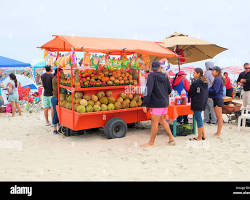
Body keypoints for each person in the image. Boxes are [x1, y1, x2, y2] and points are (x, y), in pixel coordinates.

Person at [141, 61, 175, 147]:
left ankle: (151, 143)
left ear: (152, 68)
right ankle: (171, 137)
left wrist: (145, 103)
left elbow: (148, 90)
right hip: (164, 102)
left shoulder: (151, 75)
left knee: (154, 123)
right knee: (162, 121)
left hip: (156, 103)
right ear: (160, 68)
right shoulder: (165, 76)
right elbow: (169, 90)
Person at [188, 68, 208, 141]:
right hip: (202, 102)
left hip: (197, 102)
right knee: (199, 119)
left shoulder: (196, 82)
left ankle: (199, 137)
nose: (193, 74)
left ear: (198, 73)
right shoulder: (205, 81)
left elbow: (190, 93)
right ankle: (203, 135)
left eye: (194, 73)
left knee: (198, 119)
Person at [209, 66, 224, 137]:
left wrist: (207, 90)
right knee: (219, 116)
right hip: (217, 98)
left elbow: (215, 90)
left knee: (219, 117)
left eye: (213, 71)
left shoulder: (218, 79)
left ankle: (218, 132)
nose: (212, 72)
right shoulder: (217, 79)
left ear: (217, 72)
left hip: (218, 99)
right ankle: (218, 132)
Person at [51, 68, 63, 134]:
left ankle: (59, 128)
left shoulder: (58, 78)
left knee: (59, 113)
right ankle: (54, 129)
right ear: (57, 72)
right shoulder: (55, 79)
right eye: (61, 72)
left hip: (59, 98)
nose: (62, 74)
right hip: (55, 98)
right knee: (56, 113)